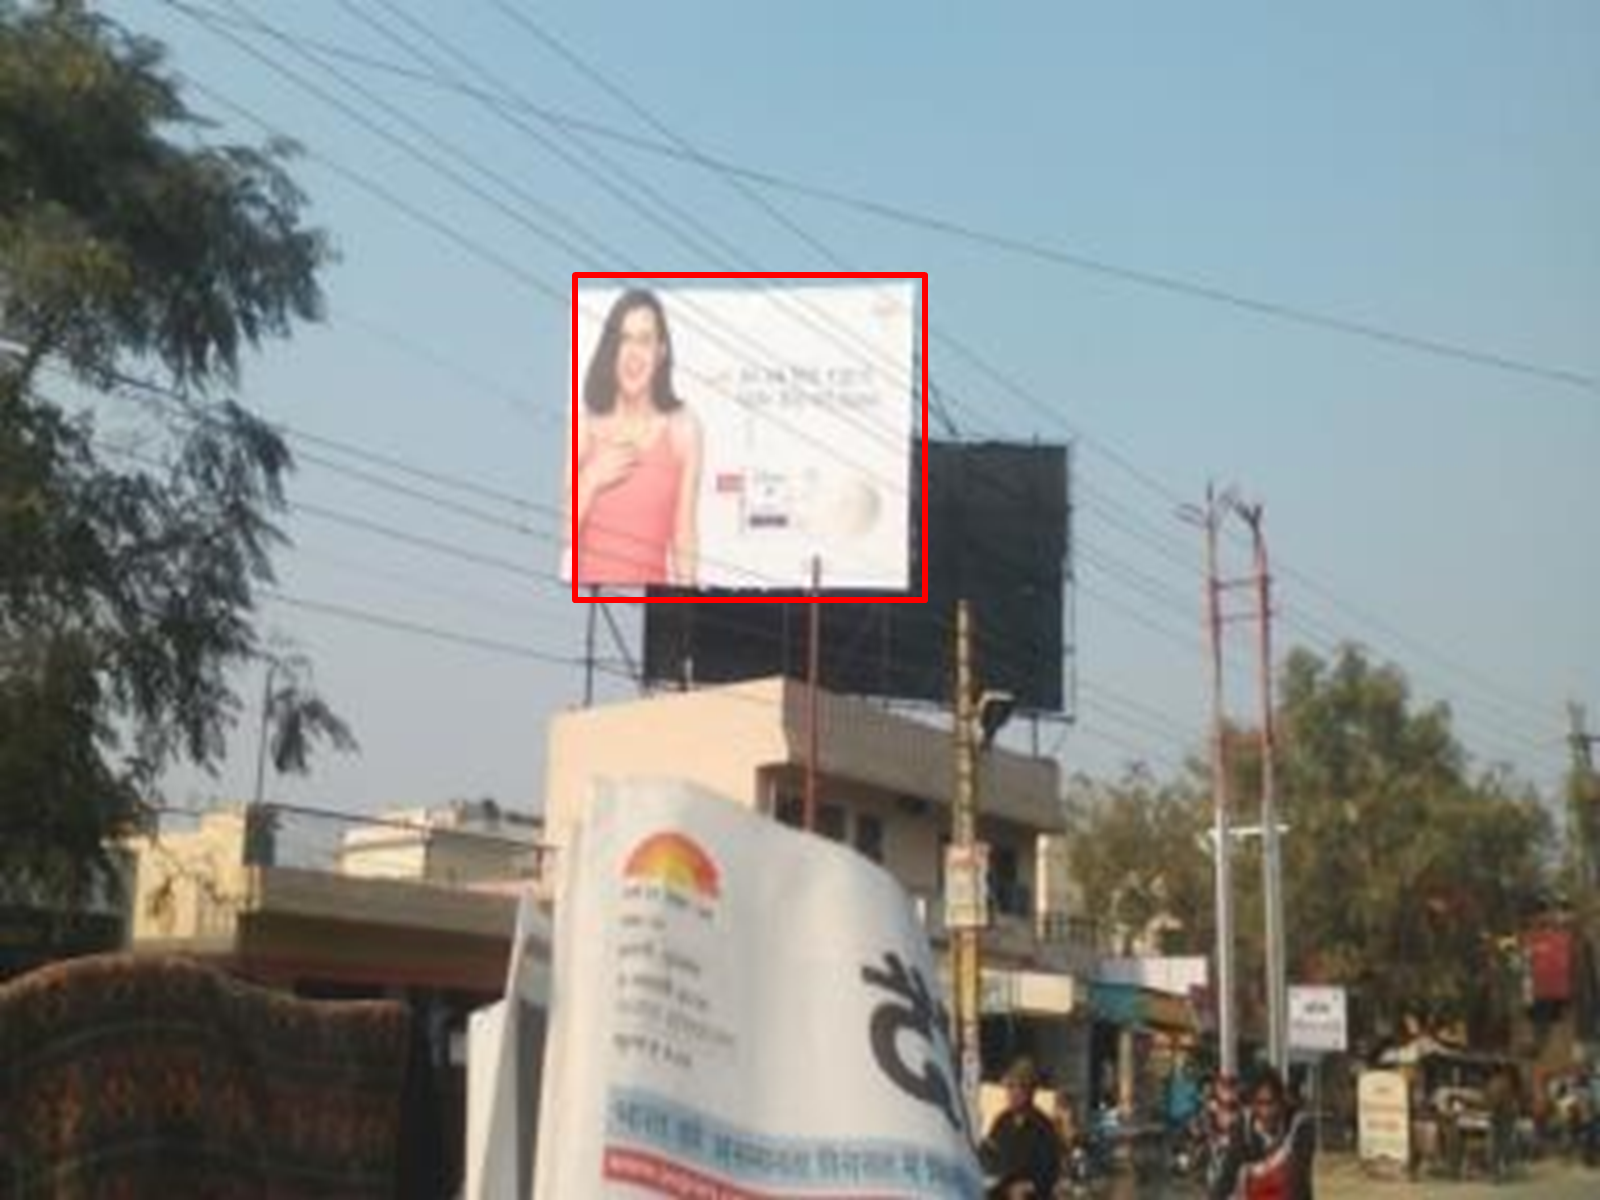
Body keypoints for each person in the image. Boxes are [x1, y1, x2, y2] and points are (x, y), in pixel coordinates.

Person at [572, 289, 702, 586]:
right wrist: (590, 480)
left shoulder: (683, 428)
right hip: (591, 583)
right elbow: (563, 531)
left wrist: (689, 608)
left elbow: (684, 532)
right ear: (611, 349)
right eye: (624, 340)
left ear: (661, 351)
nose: (633, 354)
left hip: (657, 591)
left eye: (644, 340)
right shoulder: (585, 424)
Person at [1209, 1067, 1316, 1200]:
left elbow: (1297, 1180)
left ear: (1281, 1101)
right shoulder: (1244, 1127)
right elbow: (1228, 1174)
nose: (1266, 1112)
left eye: (1271, 1103)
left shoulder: (1300, 1126)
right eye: (1259, 1103)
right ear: (1252, 1103)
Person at [979, 1058, 1062, 1200]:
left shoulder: (1043, 1127)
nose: (1012, 1093)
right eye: (1010, 1087)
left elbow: (1049, 1173)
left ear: (1031, 1091)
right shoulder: (1002, 1121)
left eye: (1019, 1087)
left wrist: (1028, 1186)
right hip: (1000, 1191)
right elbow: (990, 1156)